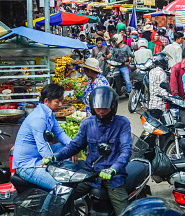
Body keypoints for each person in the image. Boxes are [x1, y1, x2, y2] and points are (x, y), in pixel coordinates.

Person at [46, 86, 132, 215]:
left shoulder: (122, 123)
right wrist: (55, 156)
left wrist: (113, 169)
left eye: (105, 108)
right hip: (90, 174)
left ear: (113, 107)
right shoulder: (87, 123)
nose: (101, 111)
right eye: (98, 108)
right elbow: (75, 145)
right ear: (92, 106)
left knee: (124, 212)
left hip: (113, 177)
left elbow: (126, 150)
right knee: (61, 198)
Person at [12, 84, 72, 190]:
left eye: (61, 101)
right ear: (46, 101)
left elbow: (60, 134)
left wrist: (74, 147)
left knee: (64, 147)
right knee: (59, 188)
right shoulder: (38, 119)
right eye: (57, 102)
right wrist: (54, 163)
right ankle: (47, 207)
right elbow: (43, 148)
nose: (60, 104)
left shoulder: (48, 115)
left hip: (38, 158)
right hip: (27, 165)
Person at [148, 53, 170, 119]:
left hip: (152, 103)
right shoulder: (161, 73)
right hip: (159, 105)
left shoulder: (151, 71)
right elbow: (161, 89)